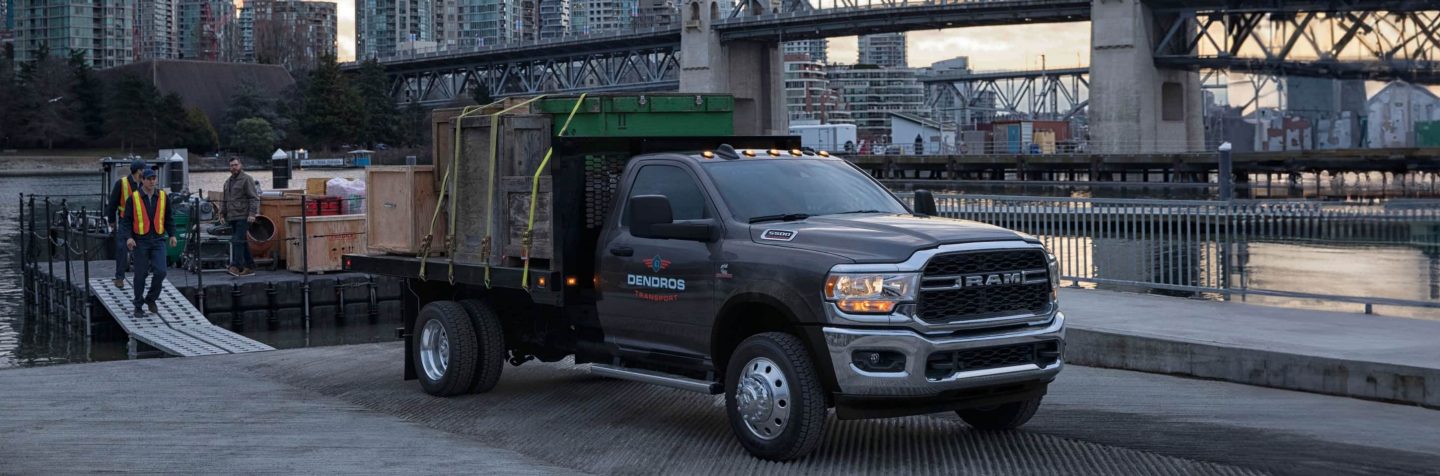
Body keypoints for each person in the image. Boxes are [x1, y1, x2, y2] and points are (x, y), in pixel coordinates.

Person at [124, 169, 176, 317]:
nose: (152, 181)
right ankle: (138, 305)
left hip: (158, 240)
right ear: (142, 180)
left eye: (154, 178)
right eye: (149, 178)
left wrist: (172, 235)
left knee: (161, 271)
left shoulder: (163, 196)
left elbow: (169, 218)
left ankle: (151, 298)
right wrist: (129, 237)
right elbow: (126, 221)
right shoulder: (133, 198)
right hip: (140, 241)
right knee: (140, 274)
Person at [106, 160, 145, 289]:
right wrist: (111, 220)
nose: (145, 172)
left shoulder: (144, 184)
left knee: (142, 249)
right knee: (122, 248)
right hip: (125, 222)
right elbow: (113, 203)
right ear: (138, 171)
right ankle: (119, 278)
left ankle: (141, 276)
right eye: (143, 169)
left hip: (140, 222)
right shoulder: (121, 184)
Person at [222, 157, 260, 276]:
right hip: (232, 216)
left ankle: (236, 266)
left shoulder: (247, 179)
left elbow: (254, 198)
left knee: (237, 240)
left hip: (244, 216)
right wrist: (222, 214)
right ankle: (250, 266)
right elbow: (225, 200)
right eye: (231, 165)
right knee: (242, 242)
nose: (234, 167)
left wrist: (252, 214)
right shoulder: (227, 182)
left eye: (236, 165)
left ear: (240, 165)